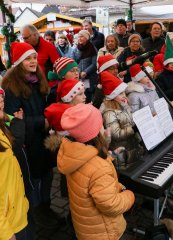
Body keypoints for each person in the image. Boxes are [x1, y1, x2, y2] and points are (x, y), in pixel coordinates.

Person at [2, 42, 60, 229]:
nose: (33, 61)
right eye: (28, 58)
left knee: (47, 174)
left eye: (34, 57)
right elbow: (12, 120)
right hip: (28, 142)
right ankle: (36, 214)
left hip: (44, 137)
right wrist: (40, 121)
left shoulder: (37, 79)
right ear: (19, 62)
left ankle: (46, 207)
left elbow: (42, 106)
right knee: (34, 179)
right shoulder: (11, 86)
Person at [58, 103, 135, 240]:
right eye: (101, 123)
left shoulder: (73, 152)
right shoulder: (99, 168)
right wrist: (129, 196)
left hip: (86, 226)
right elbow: (110, 205)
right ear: (94, 131)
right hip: (103, 231)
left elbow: (89, 182)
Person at [0, 88, 29, 240]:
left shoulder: (1, 127)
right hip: (9, 226)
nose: (1, 102)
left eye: (1, 98)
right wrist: (5, 232)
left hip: (17, 212)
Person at [99, 71, 143, 167]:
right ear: (112, 97)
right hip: (121, 153)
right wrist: (134, 129)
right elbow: (116, 134)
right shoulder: (109, 113)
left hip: (132, 146)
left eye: (123, 92)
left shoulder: (124, 105)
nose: (124, 95)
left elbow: (130, 120)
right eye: (120, 94)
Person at [71, 30, 98, 103]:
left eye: (82, 36)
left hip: (90, 77)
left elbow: (94, 63)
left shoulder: (93, 48)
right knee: (80, 96)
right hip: (79, 76)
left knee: (90, 96)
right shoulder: (75, 49)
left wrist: (86, 72)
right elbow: (73, 62)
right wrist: (78, 73)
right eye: (79, 37)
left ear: (87, 38)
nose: (79, 38)